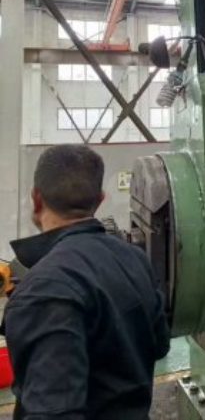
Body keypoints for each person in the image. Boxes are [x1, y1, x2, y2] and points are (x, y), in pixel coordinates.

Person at [3, 144, 169, 420]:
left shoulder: (43, 291)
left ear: (36, 198)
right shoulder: (135, 259)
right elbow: (160, 345)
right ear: (100, 200)